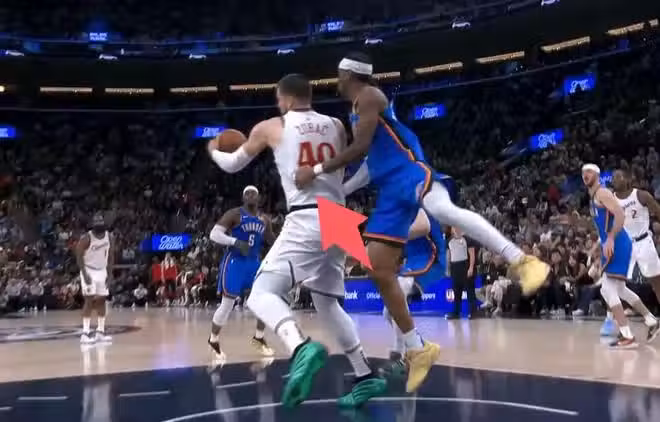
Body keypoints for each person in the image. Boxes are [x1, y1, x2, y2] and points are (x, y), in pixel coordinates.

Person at [294, 52, 549, 389]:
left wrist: (314, 171)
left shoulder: (369, 96)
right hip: (389, 190)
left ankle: (522, 260)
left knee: (443, 211)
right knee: (377, 268)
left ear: (350, 74)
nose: (336, 80)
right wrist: (340, 191)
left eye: (339, 74)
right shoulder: (357, 107)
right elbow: (370, 163)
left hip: (408, 170)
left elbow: (360, 147)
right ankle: (417, 349)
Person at [206, 73, 387, 408]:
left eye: (279, 99)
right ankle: (365, 375)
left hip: (309, 216)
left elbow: (233, 165)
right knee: (327, 303)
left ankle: (300, 346)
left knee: (261, 293)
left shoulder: (272, 126)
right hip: (340, 217)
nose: (278, 105)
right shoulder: (336, 124)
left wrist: (214, 149)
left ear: (286, 98)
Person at [566, 164, 659, 347]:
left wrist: (609, 239)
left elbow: (620, 216)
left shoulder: (606, 193)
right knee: (618, 289)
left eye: (589, 172)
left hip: (626, 242)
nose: (585, 175)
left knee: (609, 289)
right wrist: (580, 226)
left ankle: (628, 334)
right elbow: (601, 225)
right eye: (583, 172)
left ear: (597, 175)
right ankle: (649, 320)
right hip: (618, 243)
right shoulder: (596, 197)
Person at [207, 185, 276, 359]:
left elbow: (271, 239)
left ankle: (259, 338)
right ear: (243, 198)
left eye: (254, 193)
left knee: (265, 301)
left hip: (254, 263)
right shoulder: (235, 214)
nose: (251, 195)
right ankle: (213, 339)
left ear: (259, 198)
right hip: (235, 262)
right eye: (247, 193)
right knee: (227, 304)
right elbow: (214, 234)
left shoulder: (265, 219)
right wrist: (235, 242)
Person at [380, 209, 446, 376]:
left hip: (431, 257)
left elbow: (424, 226)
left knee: (399, 289)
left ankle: (400, 356)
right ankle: (418, 345)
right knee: (387, 312)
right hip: (413, 261)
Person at [612, 169, 660, 312]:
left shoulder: (641, 195)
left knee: (656, 282)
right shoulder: (610, 200)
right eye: (613, 177)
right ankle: (616, 317)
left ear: (627, 179)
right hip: (625, 245)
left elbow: (658, 212)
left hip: (643, 242)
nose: (614, 180)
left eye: (618, 177)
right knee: (614, 282)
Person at [75, 213, 114, 344]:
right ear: (92, 224)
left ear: (103, 223)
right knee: (89, 300)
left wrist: (110, 274)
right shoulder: (86, 238)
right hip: (89, 270)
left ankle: (100, 332)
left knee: (102, 300)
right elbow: (79, 256)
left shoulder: (110, 237)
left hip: (102, 270)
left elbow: (111, 257)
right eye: (96, 221)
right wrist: (84, 274)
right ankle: (85, 333)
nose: (98, 223)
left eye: (100, 221)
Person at [446, 227, 478, 319]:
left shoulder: (467, 239)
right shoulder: (449, 241)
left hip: (465, 266)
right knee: (456, 292)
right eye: (453, 227)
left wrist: (471, 268)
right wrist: (447, 268)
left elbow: (472, 254)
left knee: (470, 291)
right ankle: (456, 313)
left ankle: (473, 312)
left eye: (457, 227)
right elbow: (448, 255)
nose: (455, 229)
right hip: (454, 267)